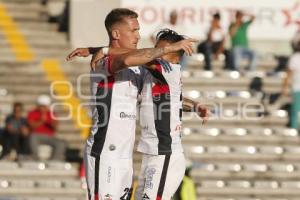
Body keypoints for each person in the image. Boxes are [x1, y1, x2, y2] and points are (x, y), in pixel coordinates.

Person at [66, 8, 197, 200]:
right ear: (116, 33)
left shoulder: (136, 68)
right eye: (134, 30)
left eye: (139, 30)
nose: (138, 35)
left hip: (125, 158)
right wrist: (100, 51)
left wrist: (192, 104)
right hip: (105, 153)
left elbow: (157, 95)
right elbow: (126, 57)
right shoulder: (104, 61)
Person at [27, 95, 66, 161]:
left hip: (50, 137)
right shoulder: (33, 113)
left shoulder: (52, 114)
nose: (43, 108)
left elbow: (56, 127)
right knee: (32, 137)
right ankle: (35, 158)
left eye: (44, 106)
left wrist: (49, 121)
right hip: (37, 136)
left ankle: (54, 160)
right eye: (41, 106)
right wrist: (41, 121)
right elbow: (31, 126)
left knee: (61, 143)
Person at [282, 40, 300, 130]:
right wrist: (285, 87)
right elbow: (288, 74)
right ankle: (294, 129)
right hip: (297, 88)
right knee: (295, 110)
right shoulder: (295, 58)